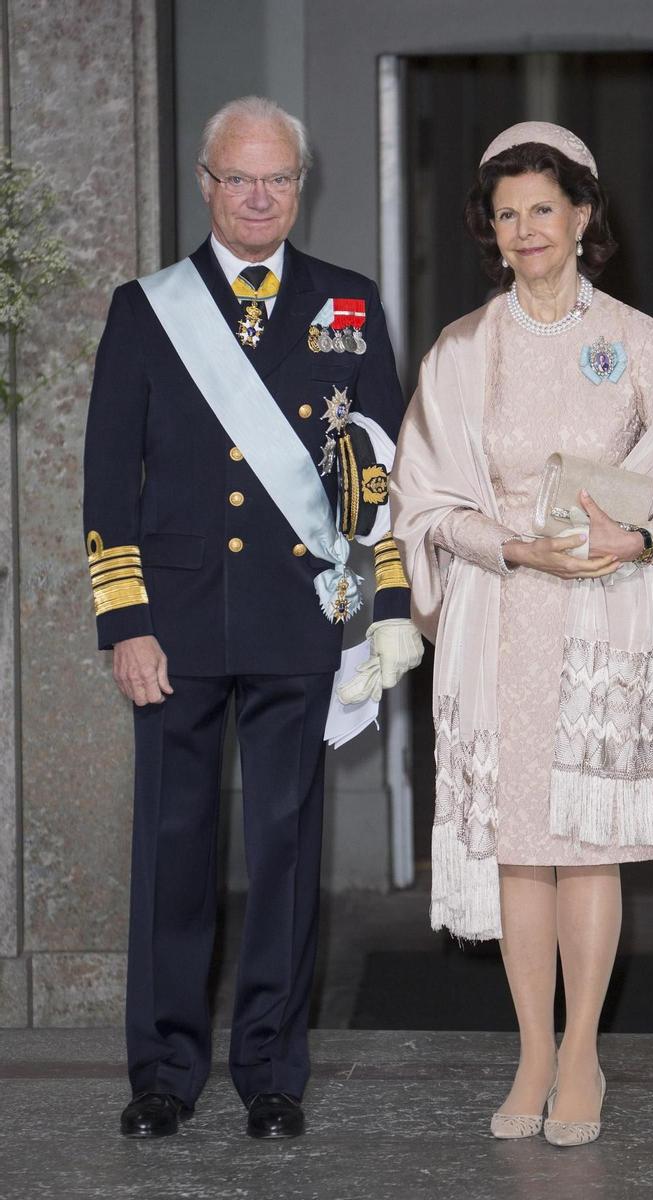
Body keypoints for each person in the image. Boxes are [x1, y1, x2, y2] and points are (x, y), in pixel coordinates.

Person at [83, 95, 422, 1141]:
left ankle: (272, 1072)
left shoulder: (349, 306)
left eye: (278, 177)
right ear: (205, 183)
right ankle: (163, 1074)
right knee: (172, 851)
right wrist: (123, 620)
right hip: (175, 624)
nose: (260, 195)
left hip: (296, 620)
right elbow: (106, 479)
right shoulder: (147, 310)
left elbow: (379, 480)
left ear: (299, 185)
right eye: (240, 177)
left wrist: (383, 614)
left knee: (284, 852)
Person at [391, 122, 653, 1147]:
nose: (526, 230)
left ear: (582, 217)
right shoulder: (463, 348)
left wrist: (638, 536)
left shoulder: (633, 340)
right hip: (502, 618)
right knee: (518, 854)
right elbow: (420, 508)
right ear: (489, 233)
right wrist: (505, 548)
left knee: (588, 852)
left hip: (604, 622)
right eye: (507, 215)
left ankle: (582, 1049)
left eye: (544, 209)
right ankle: (530, 1047)